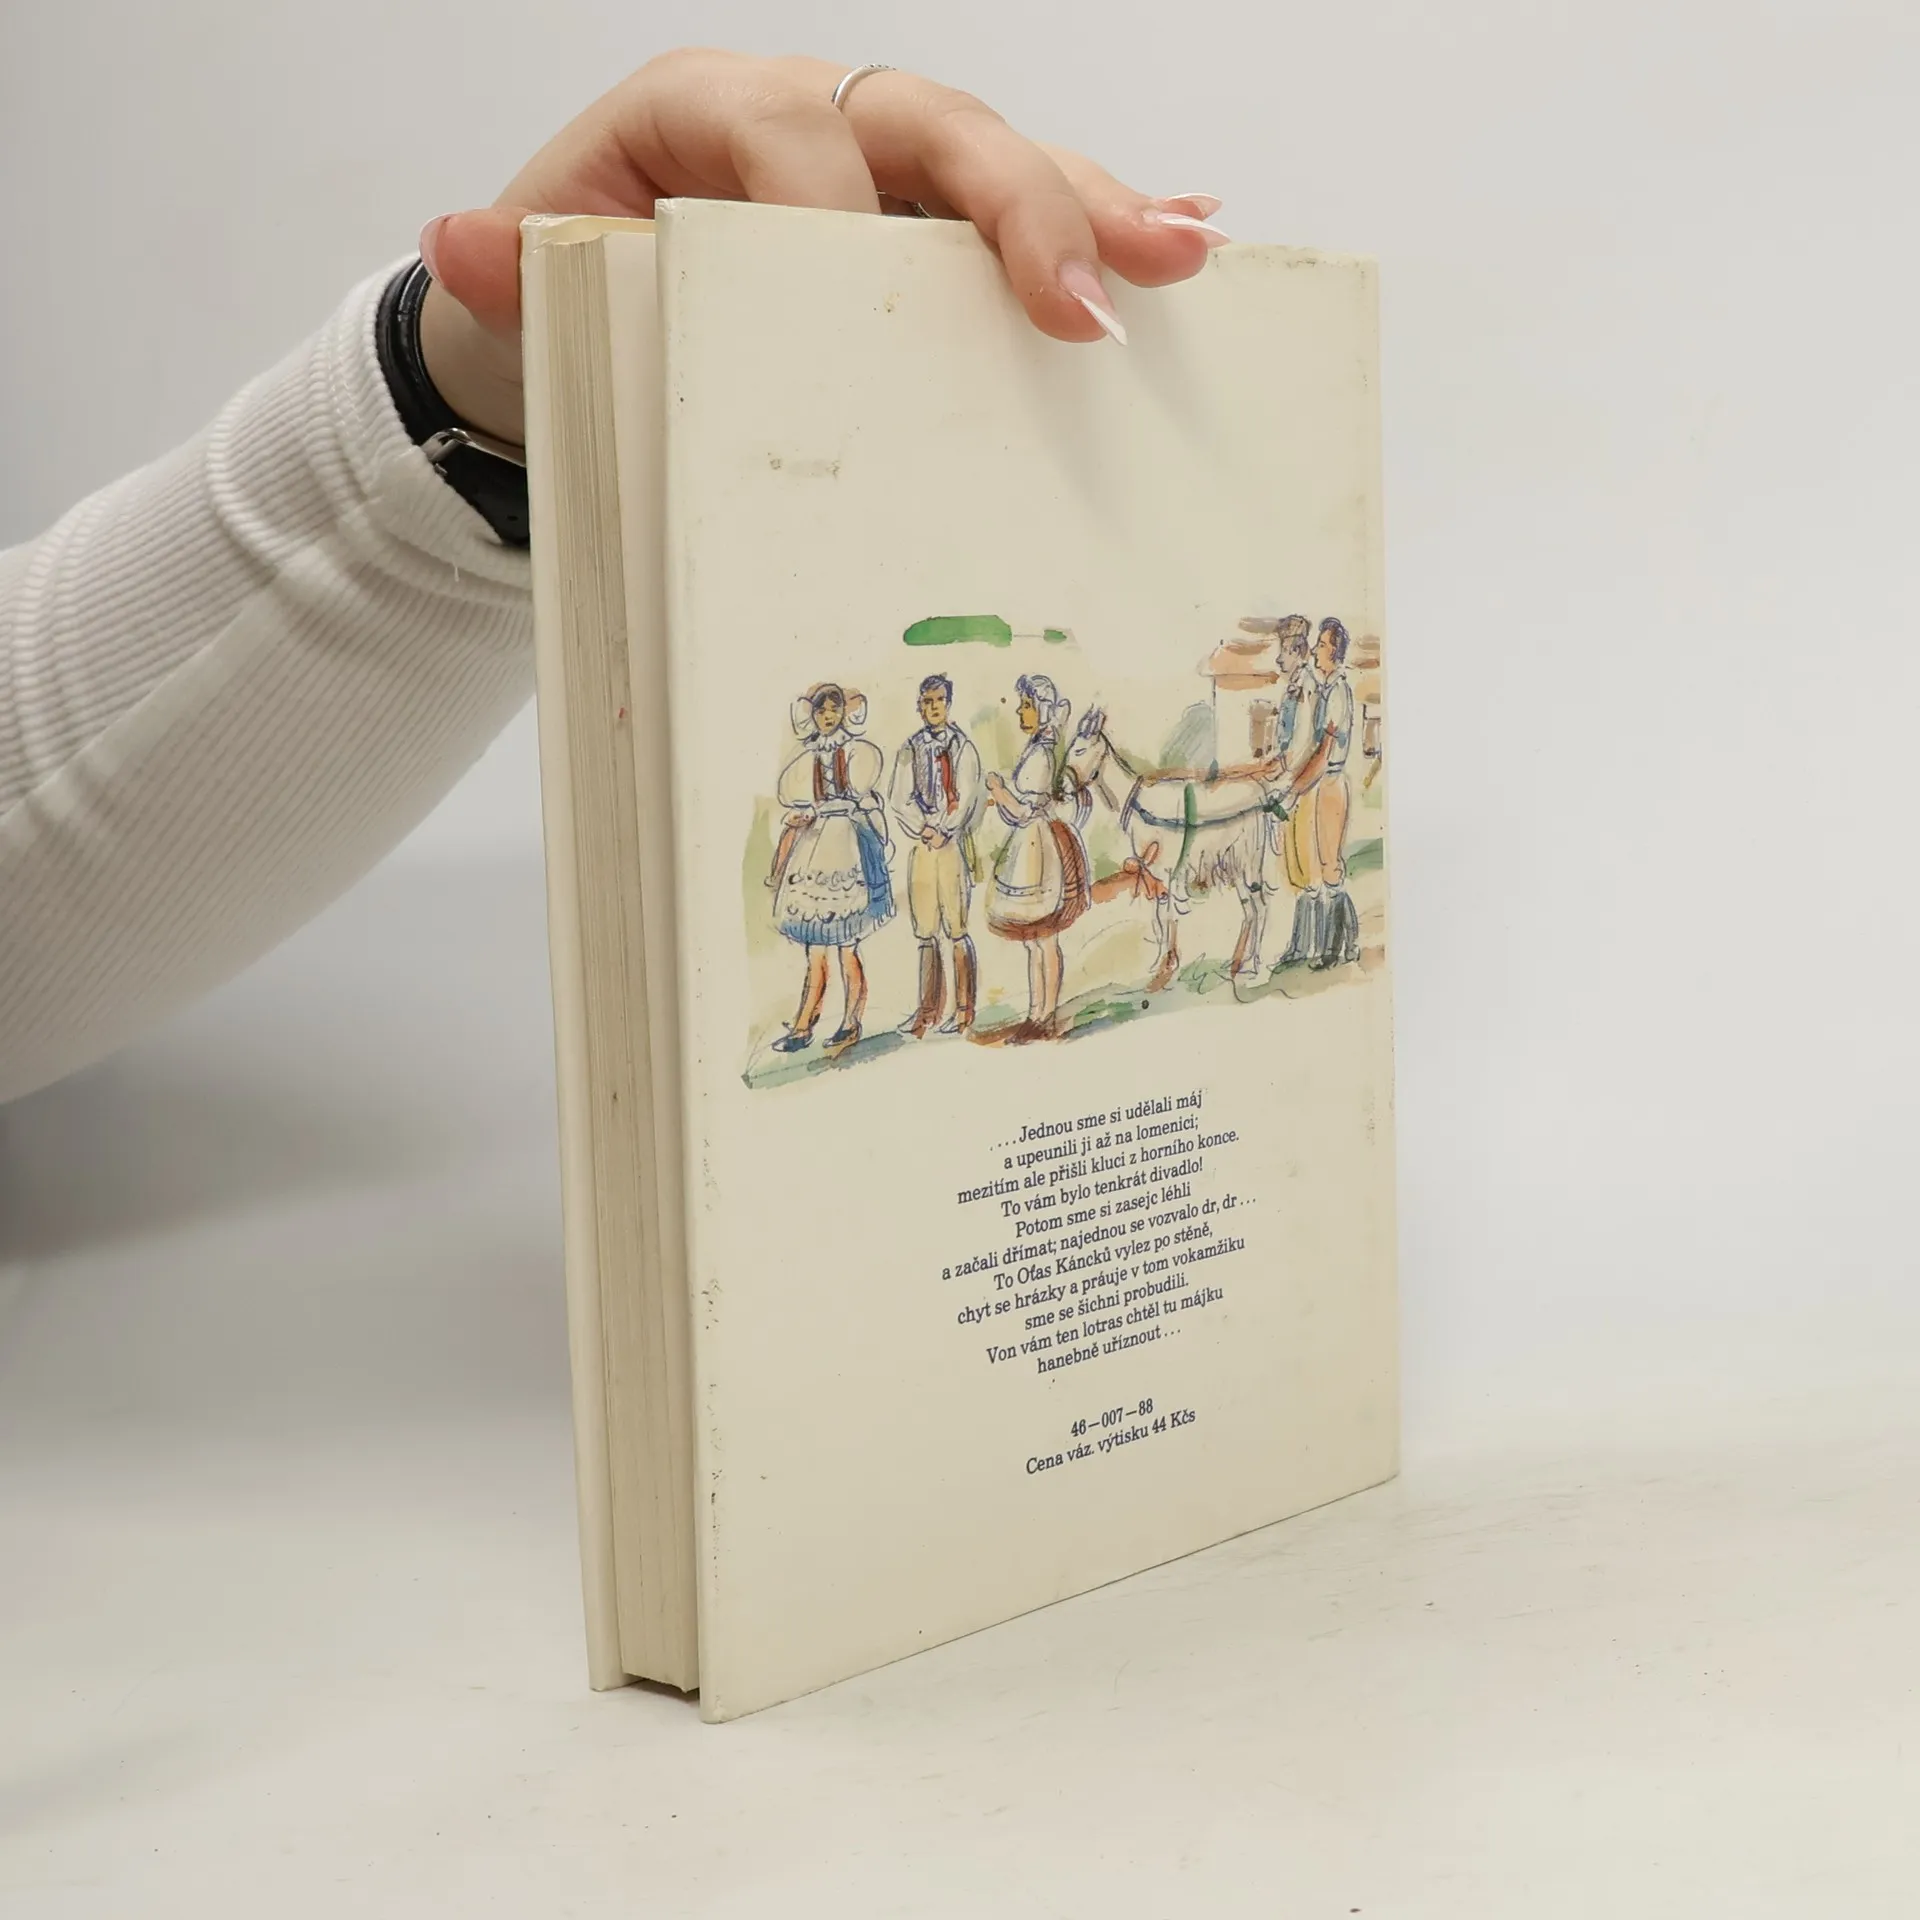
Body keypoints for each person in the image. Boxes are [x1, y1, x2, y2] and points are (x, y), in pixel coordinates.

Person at [0, 50, 1228, 1104]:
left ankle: (958, 1004)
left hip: (945, 838)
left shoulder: (912, 750)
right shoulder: (872, 758)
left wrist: (470, 399)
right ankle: (868, 1013)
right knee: (871, 938)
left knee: (964, 929)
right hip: (887, 844)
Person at [770, 685, 893, 1058]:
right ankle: (804, 1024)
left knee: (847, 946)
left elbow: (865, 801)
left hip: (847, 848)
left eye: (833, 709)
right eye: (821, 710)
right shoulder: (807, 756)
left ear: (843, 713)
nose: (827, 716)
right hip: (815, 847)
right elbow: (794, 796)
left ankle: (851, 1022)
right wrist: (802, 816)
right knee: (815, 949)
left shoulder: (856, 752)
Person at [981, 674, 1092, 1041]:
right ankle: (1037, 1013)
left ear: (1042, 710)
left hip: (1038, 849)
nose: (1020, 711)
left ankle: (1045, 1015)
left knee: (1044, 938)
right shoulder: (1037, 748)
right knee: (1036, 940)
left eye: (1026, 706)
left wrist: (999, 789)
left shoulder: (1042, 754)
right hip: (1029, 844)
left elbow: (1022, 812)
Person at [889, 673, 984, 1037]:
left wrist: (946, 827)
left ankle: (963, 1010)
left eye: (939, 701)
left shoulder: (962, 747)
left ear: (948, 704)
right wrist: (924, 828)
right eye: (927, 702)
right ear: (919, 706)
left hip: (951, 845)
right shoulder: (910, 748)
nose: (933, 708)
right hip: (923, 845)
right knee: (925, 930)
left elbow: (967, 794)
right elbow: (899, 798)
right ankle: (927, 1010)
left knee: (956, 927)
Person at [1276, 617, 1360, 970]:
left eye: (1322, 645)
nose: (1316, 650)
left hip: (1330, 782)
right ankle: (1305, 945)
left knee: (1329, 866)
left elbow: (1324, 751)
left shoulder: (1339, 690)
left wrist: (1293, 789)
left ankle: (1338, 944)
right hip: (1314, 783)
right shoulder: (1318, 684)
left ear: (1335, 652)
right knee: (1310, 866)